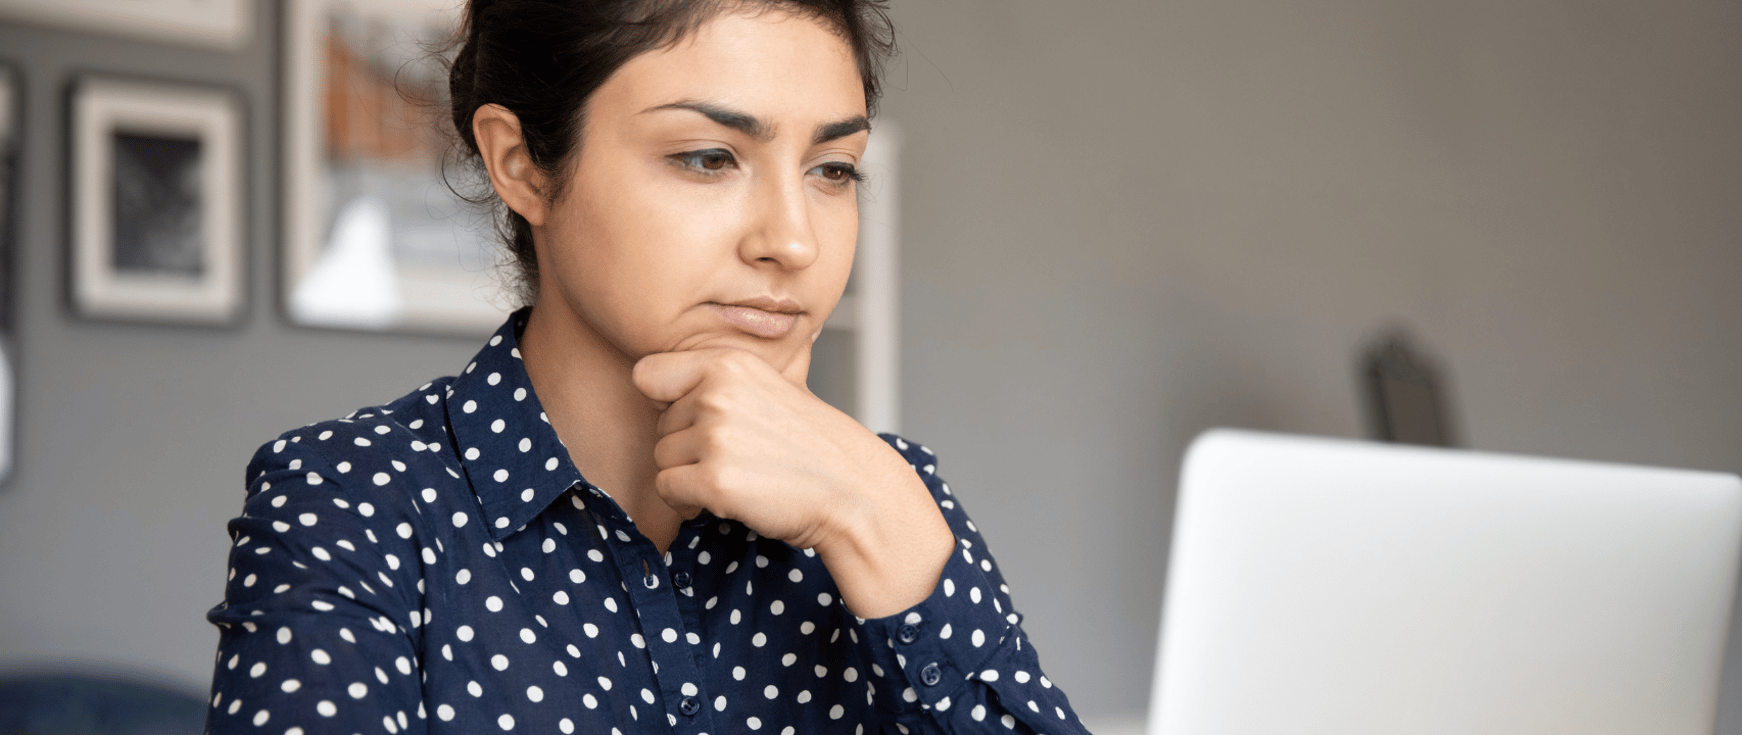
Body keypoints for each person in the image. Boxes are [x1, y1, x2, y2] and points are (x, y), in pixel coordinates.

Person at [203, 1, 1090, 733]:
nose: (793, 241)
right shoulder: (351, 498)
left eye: (832, 169)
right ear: (522, 163)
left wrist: (872, 517)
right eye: (709, 158)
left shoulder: (886, 497)